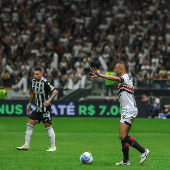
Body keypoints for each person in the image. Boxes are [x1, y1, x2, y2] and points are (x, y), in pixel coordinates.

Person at [90, 61, 150, 165]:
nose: (114, 70)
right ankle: (126, 160)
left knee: (122, 136)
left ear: (121, 70)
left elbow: (114, 78)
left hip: (128, 110)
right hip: (128, 109)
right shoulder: (126, 79)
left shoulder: (125, 77)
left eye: (115, 69)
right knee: (123, 135)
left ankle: (143, 151)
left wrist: (100, 75)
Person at [16, 67, 58, 151]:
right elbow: (33, 93)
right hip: (37, 108)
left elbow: (55, 91)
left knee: (48, 127)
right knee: (29, 124)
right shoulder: (33, 82)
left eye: (37, 74)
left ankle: (53, 147)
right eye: (34, 74)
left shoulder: (45, 82)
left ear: (41, 74)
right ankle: (26, 145)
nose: (35, 76)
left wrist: (49, 100)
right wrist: (29, 105)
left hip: (45, 109)